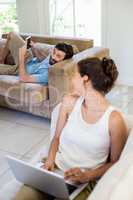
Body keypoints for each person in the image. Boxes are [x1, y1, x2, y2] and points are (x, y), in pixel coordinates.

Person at [14, 57, 128, 200]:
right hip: (55, 168)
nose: (71, 79)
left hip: (84, 181)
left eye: (74, 74)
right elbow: (56, 138)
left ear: (85, 79)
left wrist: (88, 176)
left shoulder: (114, 119)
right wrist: (50, 160)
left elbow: (115, 162)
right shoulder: (69, 102)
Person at [0, 32, 74, 84]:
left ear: (64, 60)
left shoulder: (48, 75)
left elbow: (23, 78)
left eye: (58, 56)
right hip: (29, 59)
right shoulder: (53, 56)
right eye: (54, 52)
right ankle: (2, 59)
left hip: (20, 69)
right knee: (12, 34)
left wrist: (22, 57)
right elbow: (40, 59)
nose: (53, 56)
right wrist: (34, 47)